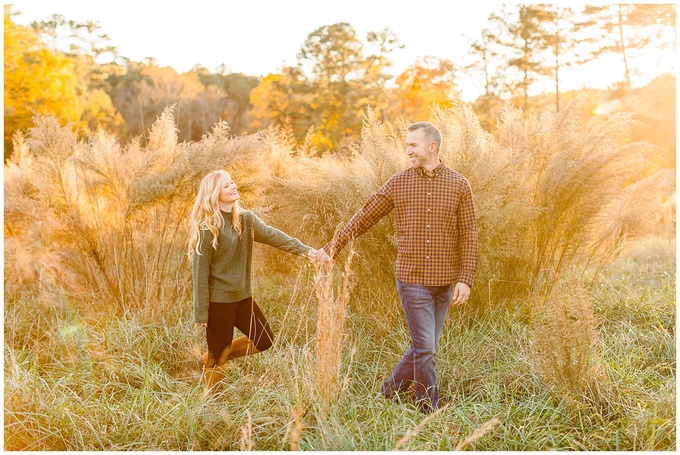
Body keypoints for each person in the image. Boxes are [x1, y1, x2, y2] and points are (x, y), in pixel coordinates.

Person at [313, 122, 478, 413]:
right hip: (412, 279)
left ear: (432, 147)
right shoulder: (398, 182)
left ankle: (389, 390)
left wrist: (465, 278)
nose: (407, 151)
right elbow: (364, 216)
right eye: (406, 145)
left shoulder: (459, 184)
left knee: (424, 348)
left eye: (412, 145)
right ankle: (428, 409)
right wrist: (332, 248)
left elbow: (469, 234)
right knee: (426, 348)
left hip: (445, 282)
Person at [188, 170, 316, 393]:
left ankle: (211, 357)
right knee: (218, 357)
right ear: (213, 194)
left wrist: (308, 252)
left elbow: (274, 236)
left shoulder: (245, 219)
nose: (233, 186)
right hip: (219, 302)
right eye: (226, 186)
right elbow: (200, 273)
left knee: (264, 340)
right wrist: (202, 311)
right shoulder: (207, 229)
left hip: (242, 298)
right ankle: (214, 403)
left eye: (232, 182)